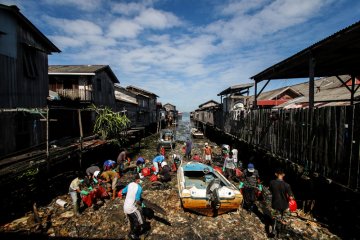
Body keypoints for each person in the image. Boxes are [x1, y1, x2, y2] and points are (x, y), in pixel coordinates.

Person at [268, 169, 294, 236]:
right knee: (284, 218)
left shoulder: (271, 182)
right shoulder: (287, 185)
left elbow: (270, 192)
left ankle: (273, 231)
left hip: (275, 203)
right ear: (283, 175)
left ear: (276, 174)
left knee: (274, 217)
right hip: (285, 205)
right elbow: (291, 197)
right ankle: (281, 232)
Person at [122, 174, 146, 240]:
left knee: (132, 220)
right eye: (140, 179)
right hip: (131, 208)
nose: (141, 181)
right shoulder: (139, 188)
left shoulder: (130, 184)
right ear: (138, 179)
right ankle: (132, 234)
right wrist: (142, 204)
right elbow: (137, 200)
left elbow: (123, 191)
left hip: (125, 206)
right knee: (140, 220)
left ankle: (133, 232)